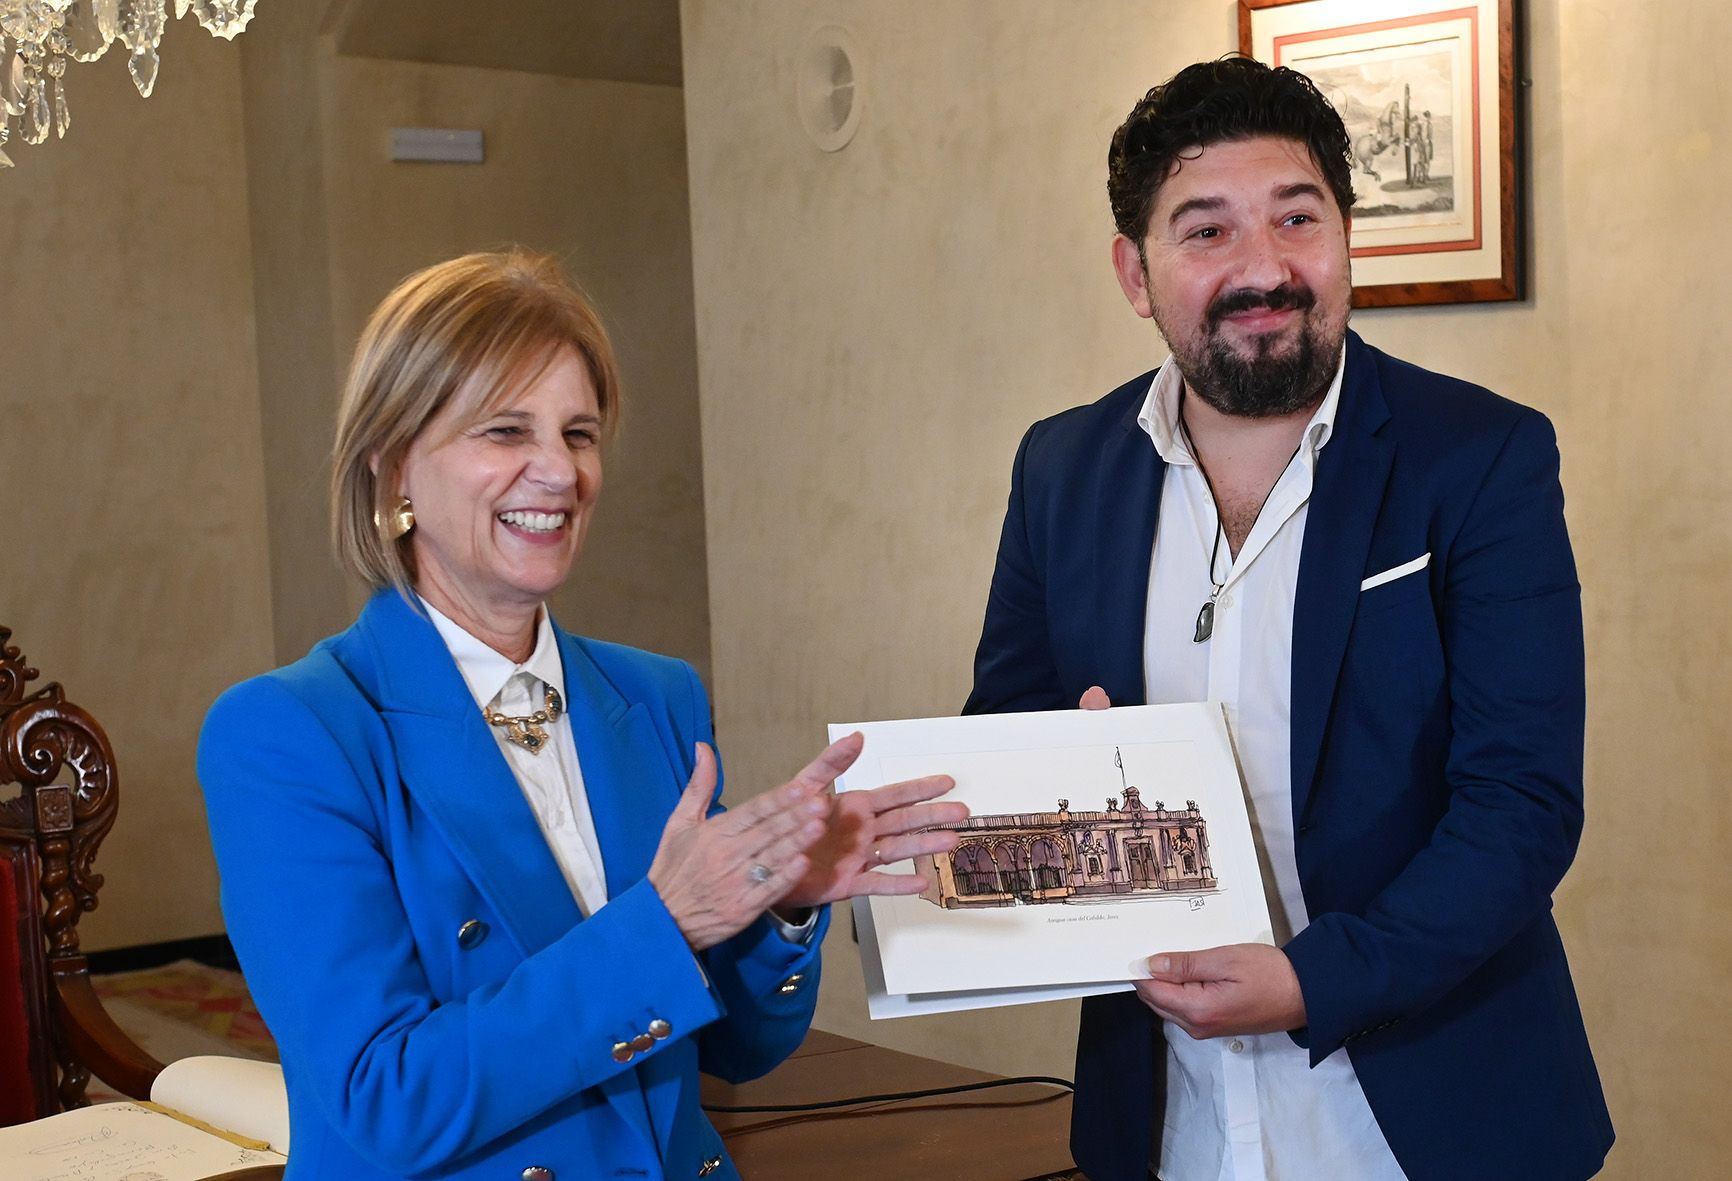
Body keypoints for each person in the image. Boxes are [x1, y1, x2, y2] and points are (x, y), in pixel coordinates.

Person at [964, 58, 1612, 1181]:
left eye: (1296, 217)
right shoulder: (1060, 467)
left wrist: (1315, 980)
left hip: (1429, 1116)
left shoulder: (1481, 456)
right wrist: (1030, 791)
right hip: (1164, 1116)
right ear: (1135, 269)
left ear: (1346, 236)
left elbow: (1521, 805)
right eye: (1205, 229)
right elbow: (1001, 739)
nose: (1263, 268)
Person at [198, 251, 966, 1181]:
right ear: (393, 462)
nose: (558, 471)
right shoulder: (288, 733)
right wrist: (668, 921)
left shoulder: (658, 694)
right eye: (506, 430)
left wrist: (783, 904)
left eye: (580, 433)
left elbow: (737, 1049)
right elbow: (384, 1097)